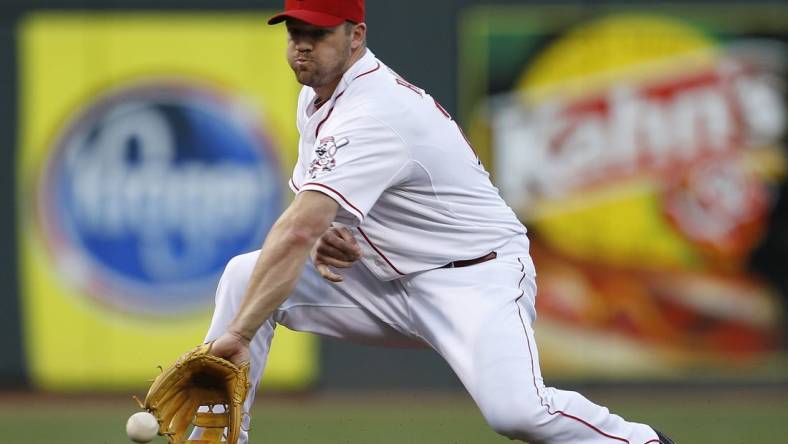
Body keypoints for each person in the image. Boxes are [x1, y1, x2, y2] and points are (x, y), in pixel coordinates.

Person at [197, 0, 675, 443]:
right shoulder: (318, 96)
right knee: (244, 275)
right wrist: (324, 232)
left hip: (473, 279)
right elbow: (313, 216)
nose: (302, 45)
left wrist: (237, 335)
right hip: (387, 282)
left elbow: (298, 227)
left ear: (355, 36)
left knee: (519, 414)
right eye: (295, 32)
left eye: (318, 34)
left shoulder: (375, 112)